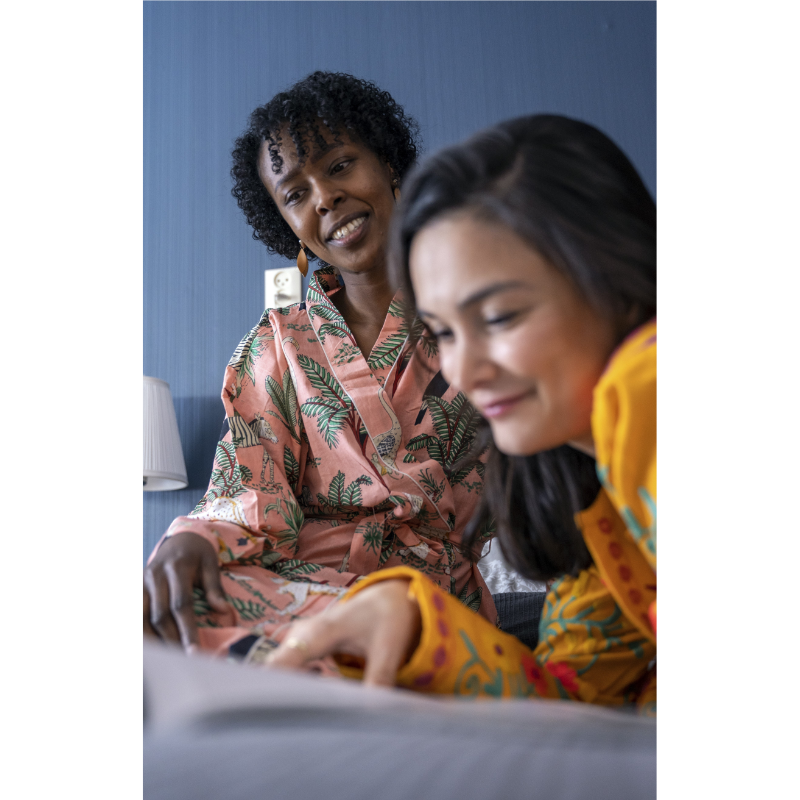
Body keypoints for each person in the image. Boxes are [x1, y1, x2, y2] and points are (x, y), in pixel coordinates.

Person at [267, 114, 658, 714]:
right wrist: (419, 626)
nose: (465, 372)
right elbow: (569, 698)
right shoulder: (594, 504)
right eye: (444, 332)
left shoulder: (644, 382)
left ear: (619, 279)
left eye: (500, 317)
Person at [142, 72, 495, 664]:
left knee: (404, 635)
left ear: (390, 166)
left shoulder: (482, 322)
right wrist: (192, 538)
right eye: (295, 194)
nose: (323, 198)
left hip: (425, 600)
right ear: (286, 224)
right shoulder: (275, 347)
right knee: (172, 604)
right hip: (301, 591)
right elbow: (248, 492)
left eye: (338, 166)